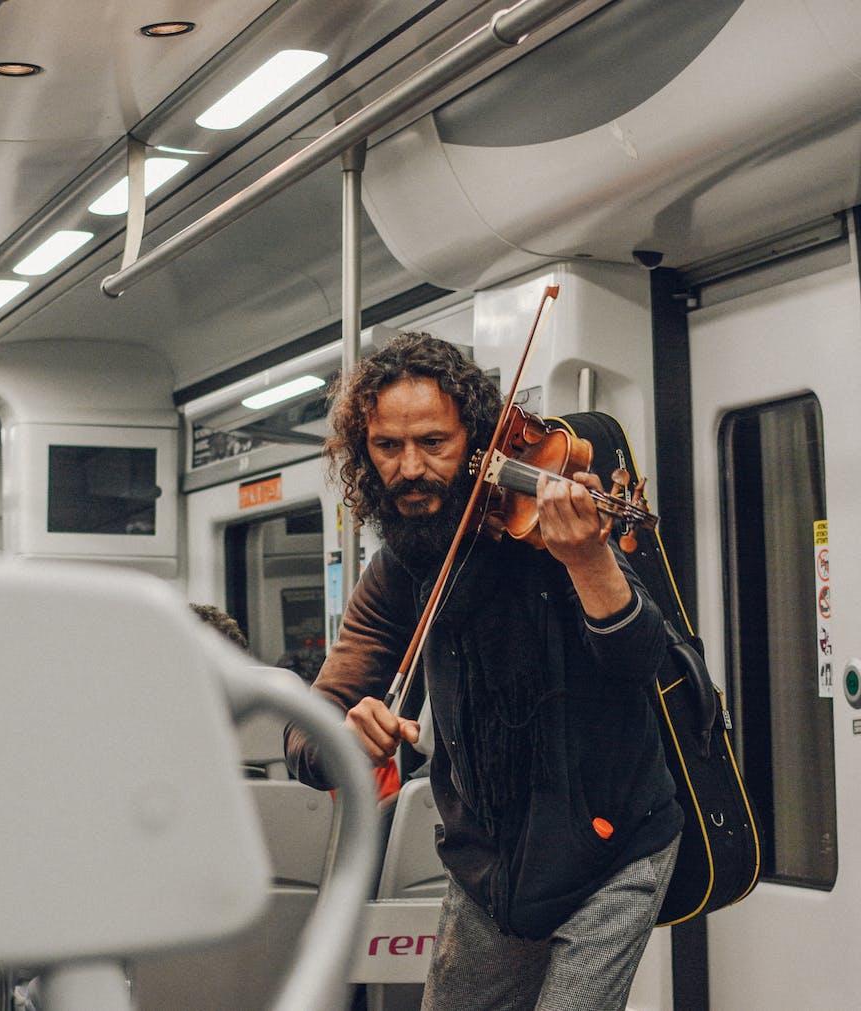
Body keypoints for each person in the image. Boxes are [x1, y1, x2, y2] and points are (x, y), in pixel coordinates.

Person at [284, 333, 682, 1010]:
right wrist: (340, 735)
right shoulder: (400, 571)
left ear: (475, 442)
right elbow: (311, 726)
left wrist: (590, 560)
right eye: (387, 447)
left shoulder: (552, 536)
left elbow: (647, 660)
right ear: (365, 453)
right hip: (486, 866)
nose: (410, 468)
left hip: (610, 853)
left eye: (433, 442)